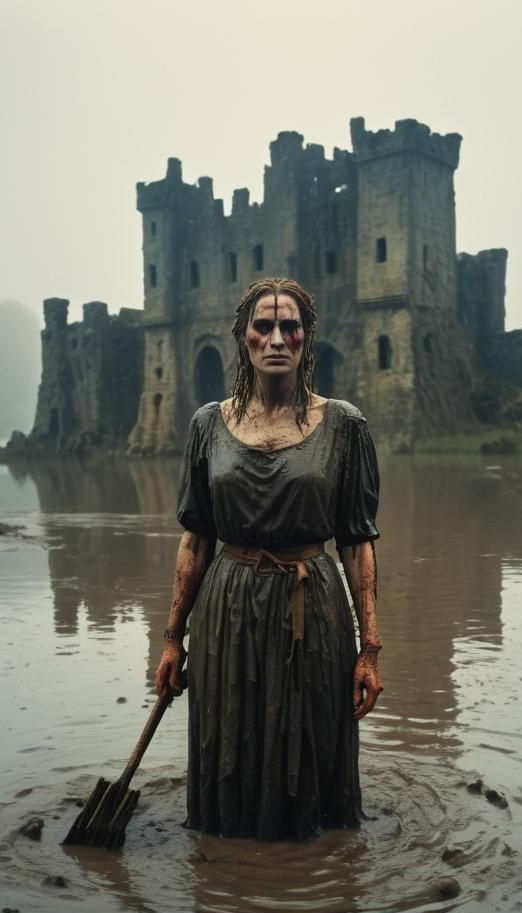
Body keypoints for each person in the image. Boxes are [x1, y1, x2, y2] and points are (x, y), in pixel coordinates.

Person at [154, 277, 383, 841]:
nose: (277, 339)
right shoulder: (207, 425)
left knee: (311, 733)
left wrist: (369, 649)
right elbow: (196, 540)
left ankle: (315, 858)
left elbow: (356, 542)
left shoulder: (345, 425)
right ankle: (229, 855)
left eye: (290, 327)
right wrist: (172, 639)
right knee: (229, 733)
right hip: (228, 610)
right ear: (244, 338)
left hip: (314, 605)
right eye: (263, 326)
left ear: (306, 337)